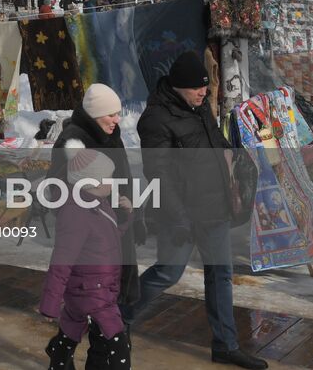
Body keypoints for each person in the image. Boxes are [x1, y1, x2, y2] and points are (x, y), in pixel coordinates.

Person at [125, 52, 268, 370]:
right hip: (181, 212)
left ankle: (226, 346)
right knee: (168, 272)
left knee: (221, 276)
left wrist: (235, 163)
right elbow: (157, 172)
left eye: (205, 87)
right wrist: (176, 218)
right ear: (178, 87)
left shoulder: (200, 107)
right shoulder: (155, 119)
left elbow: (214, 142)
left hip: (213, 206)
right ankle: (117, 319)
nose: (205, 92)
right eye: (197, 88)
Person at [40, 148, 134, 370]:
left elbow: (106, 239)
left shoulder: (96, 203)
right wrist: (49, 305)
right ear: (91, 182)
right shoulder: (76, 213)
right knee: (119, 344)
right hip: (91, 291)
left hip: (98, 286)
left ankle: (58, 358)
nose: (112, 182)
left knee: (71, 332)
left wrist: (127, 216)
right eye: (107, 178)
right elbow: (61, 262)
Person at [50, 83, 139, 309]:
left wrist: (132, 212)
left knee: (115, 300)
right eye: (111, 114)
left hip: (118, 227)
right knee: (95, 303)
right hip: (92, 238)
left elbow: (124, 179)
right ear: (95, 114)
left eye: (118, 113)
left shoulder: (111, 135)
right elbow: (57, 190)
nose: (117, 119)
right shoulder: (71, 141)